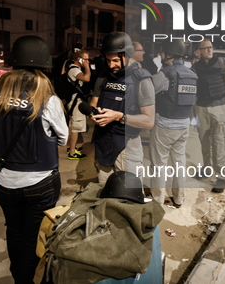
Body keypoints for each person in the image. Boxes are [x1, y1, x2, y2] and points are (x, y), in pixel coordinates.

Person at [0, 35, 67, 282]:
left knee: (14, 232)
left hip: (5, 182)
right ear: (43, 66)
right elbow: (63, 139)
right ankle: (26, 278)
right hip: (40, 183)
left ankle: (17, 273)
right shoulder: (47, 99)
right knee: (35, 236)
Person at [90, 32, 155, 183]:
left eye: (115, 60)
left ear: (127, 55)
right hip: (103, 142)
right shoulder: (103, 76)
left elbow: (149, 121)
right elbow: (94, 104)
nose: (111, 65)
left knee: (129, 196)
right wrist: (95, 115)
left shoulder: (141, 79)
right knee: (104, 191)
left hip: (128, 146)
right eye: (107, 60)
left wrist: (118, 116)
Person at [149, 40, 197, 208]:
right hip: (184, 125)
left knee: (159, 164)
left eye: (163, 53)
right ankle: (179, 198)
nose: (161, 55)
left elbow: (147, 91)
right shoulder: (191, 73)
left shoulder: (166, 74)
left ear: (168, 54)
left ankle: (157, 202)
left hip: (164, 125)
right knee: (179, 162)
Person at [192, 39, 225, 193]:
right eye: (206, 48)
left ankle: (222, 177)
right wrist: (193, 111)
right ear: (198, 51)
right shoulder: (196, 67)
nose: (209, 50)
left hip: (219, 107)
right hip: (202, 108)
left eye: (211, 47)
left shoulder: (220, 62)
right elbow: (195, 91)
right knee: (204, 142)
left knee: (219, 143)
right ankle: (207, 169)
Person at [66, 49, 90, 159]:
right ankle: (72, 153)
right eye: (85, 59)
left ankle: (72, 147)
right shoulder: (74, 70)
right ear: (79, 59)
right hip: (75, 101)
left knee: (72, 126)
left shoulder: (74, 68)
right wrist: (87, 67)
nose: (87, 61)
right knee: (75, 126)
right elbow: (86, 78)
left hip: (73, 100)